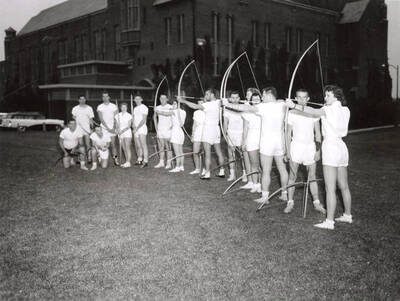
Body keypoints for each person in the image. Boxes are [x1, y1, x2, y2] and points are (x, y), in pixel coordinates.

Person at [285, 85, 352, 230]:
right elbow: (319, 113)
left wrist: (293, 105)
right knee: (344, 186)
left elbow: (313, 111)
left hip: (331, 147)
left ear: (335, 97)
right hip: (342, 147)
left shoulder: (327, 109)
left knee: (330, 188)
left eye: (328, 95)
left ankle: (329, 221)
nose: (325, 98)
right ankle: (347, 215)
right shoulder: (345, 110)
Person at [223, 87, 289, 203]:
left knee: (266, 169)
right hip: (280, 142)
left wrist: (227, 104)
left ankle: (265, 197)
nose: (262, 97)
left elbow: (244, 107)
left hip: (267, 142)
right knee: (282, 169)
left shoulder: (262, 107)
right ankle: (284, 194)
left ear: (268, 95)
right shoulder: (282, 104)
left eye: (263, 95)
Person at [284, 89, 326, 214]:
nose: (302, 100)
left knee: (312, 176)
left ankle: (317, 203)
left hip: (310, 147)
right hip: (296, 146)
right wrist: (287, 151)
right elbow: (287, 133)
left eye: (304, 97)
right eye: (299, 97)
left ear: (308, 99)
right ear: (295, 98)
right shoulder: (291, 113)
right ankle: (290, 202)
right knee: (292, 176)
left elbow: (318, 134)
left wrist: (318, 150)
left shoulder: (313, 113)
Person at [179, 88, 225, 180]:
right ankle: (222, 171)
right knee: (218, 152)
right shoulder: (218, 102)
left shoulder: (208, 105)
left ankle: (207, 174)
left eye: (207, 94)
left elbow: (195, 106)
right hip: (216, 129)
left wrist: (183, 100)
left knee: (207, 153)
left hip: (208, 129)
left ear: (212, 95)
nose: (205, 96)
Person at [156, 100, 186, 172]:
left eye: (175, 103)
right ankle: (181, 166)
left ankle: (177, 167)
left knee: (176, 151)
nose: (173, 105)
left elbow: (165, 113)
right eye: (173, 103)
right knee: (180, 151)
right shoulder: (184, 112)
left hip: (176, 132)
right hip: (180, 131)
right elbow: (180, 123)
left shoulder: (175, 111)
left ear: (179, 104)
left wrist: (157, 111)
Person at [240, 92, 262, 193]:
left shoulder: (264, 110)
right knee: (254, 163)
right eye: (254, 99)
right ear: (250, 100)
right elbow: (245, 129)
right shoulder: (247, 112)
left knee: (262, 164)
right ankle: (255, 184)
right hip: (251, 137)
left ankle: (262, 184)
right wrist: (244, 142)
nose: (256, 101)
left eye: (258, 99)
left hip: (263, 138)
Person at [223, 91, 244, 182]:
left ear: (239, 98)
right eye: (233, 97)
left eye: (236, 97)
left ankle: (245, 174)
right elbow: (225, 122)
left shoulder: (244, 107)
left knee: (242, 154)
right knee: (231, 154)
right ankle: (232, 174)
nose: (235, 99)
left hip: (241, 133)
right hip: (231, 133)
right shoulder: (227, 108)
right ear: (230, 98)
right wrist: (224, 134)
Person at [97, 92, 119, 165]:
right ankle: (101, 158)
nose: (105, 98)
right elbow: (101, 119)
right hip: (103, 128)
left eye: (106, 96)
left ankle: (115, 159)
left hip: (112, 128)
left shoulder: (114, 106)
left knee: (113, 144)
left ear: (109, 97)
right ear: (102, 98)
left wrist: (113, 127)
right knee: (103, 144)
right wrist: (107, 128)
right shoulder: (100, 106)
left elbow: (116, 118)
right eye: (103, 97)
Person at [71, 95, 94, 163]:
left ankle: (89, 158)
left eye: (83, 99)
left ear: (85, 100)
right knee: (80, 144)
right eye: (81, 99)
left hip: (87, 129)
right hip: (78, 129)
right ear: (78, 100)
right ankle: (80, 158)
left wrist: (91, 128)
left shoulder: (89, 108)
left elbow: (91, 119)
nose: (82, 100)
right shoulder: (75, 108)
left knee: (88, 143)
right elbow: (73, 117)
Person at [153, 94, 173, 169]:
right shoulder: (157, 107)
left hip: (167, 130)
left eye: (164, 98)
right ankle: (161, 162)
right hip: (160, 129)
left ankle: (169, 162)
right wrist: (156, 127)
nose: (162, 99)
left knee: (168, 147)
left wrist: (158, 111)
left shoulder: (170, 107)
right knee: (160, 146)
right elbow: (154, 117)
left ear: (167, 99)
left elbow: (169, 115)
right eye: (161, 98)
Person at [133, 95, 149, 167]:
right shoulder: (135, 108)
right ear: (134, 100)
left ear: (141, 99)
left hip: (142, 128)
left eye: (138, 99)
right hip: (136, 128)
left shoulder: (144, 107)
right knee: (138, 145)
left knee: (143, 145)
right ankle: (139, 159)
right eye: (136, 99)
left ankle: (145, 161)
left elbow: (143, 120)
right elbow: (134, 119)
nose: (137, 100)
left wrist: (137, 127)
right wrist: (133, 126)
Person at [189, 101, 205, 175]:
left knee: (205, 152)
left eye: (202, 103)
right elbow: (194, 124)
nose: (200, 104)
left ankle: (205, 169)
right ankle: (197, 169)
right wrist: (192, 135)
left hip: (205, 132)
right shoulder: (196, 113)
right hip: (197, 132)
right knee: (195, 152)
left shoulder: (207, 111)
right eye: (198, 103)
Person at [116, 102, 133, 168]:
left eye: (125, 107)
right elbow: (117, 124)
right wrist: (118, 130)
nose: (123, 108)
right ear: (120, 108)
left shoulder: (129, 115)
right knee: (124, 148)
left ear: (127, 108)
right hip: (120, 133)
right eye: (122, 107)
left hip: (127, 132)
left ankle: (128, 162)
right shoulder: (118, 115)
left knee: (127, 147)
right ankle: (126, 161)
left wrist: (122, 131)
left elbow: (129, 126)